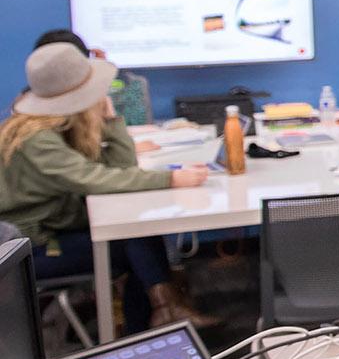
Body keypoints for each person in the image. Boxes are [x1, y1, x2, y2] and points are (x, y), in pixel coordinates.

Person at [0, 43, 211, 331]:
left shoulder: (55, 125)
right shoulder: (37, 138)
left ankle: (161, 319)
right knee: (132, 243)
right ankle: (154, 326)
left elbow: (121, 171)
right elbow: (97, 179)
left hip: (54, 229)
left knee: (138, 234)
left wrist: (111, 121)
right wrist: (170, 178)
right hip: (31, 247)